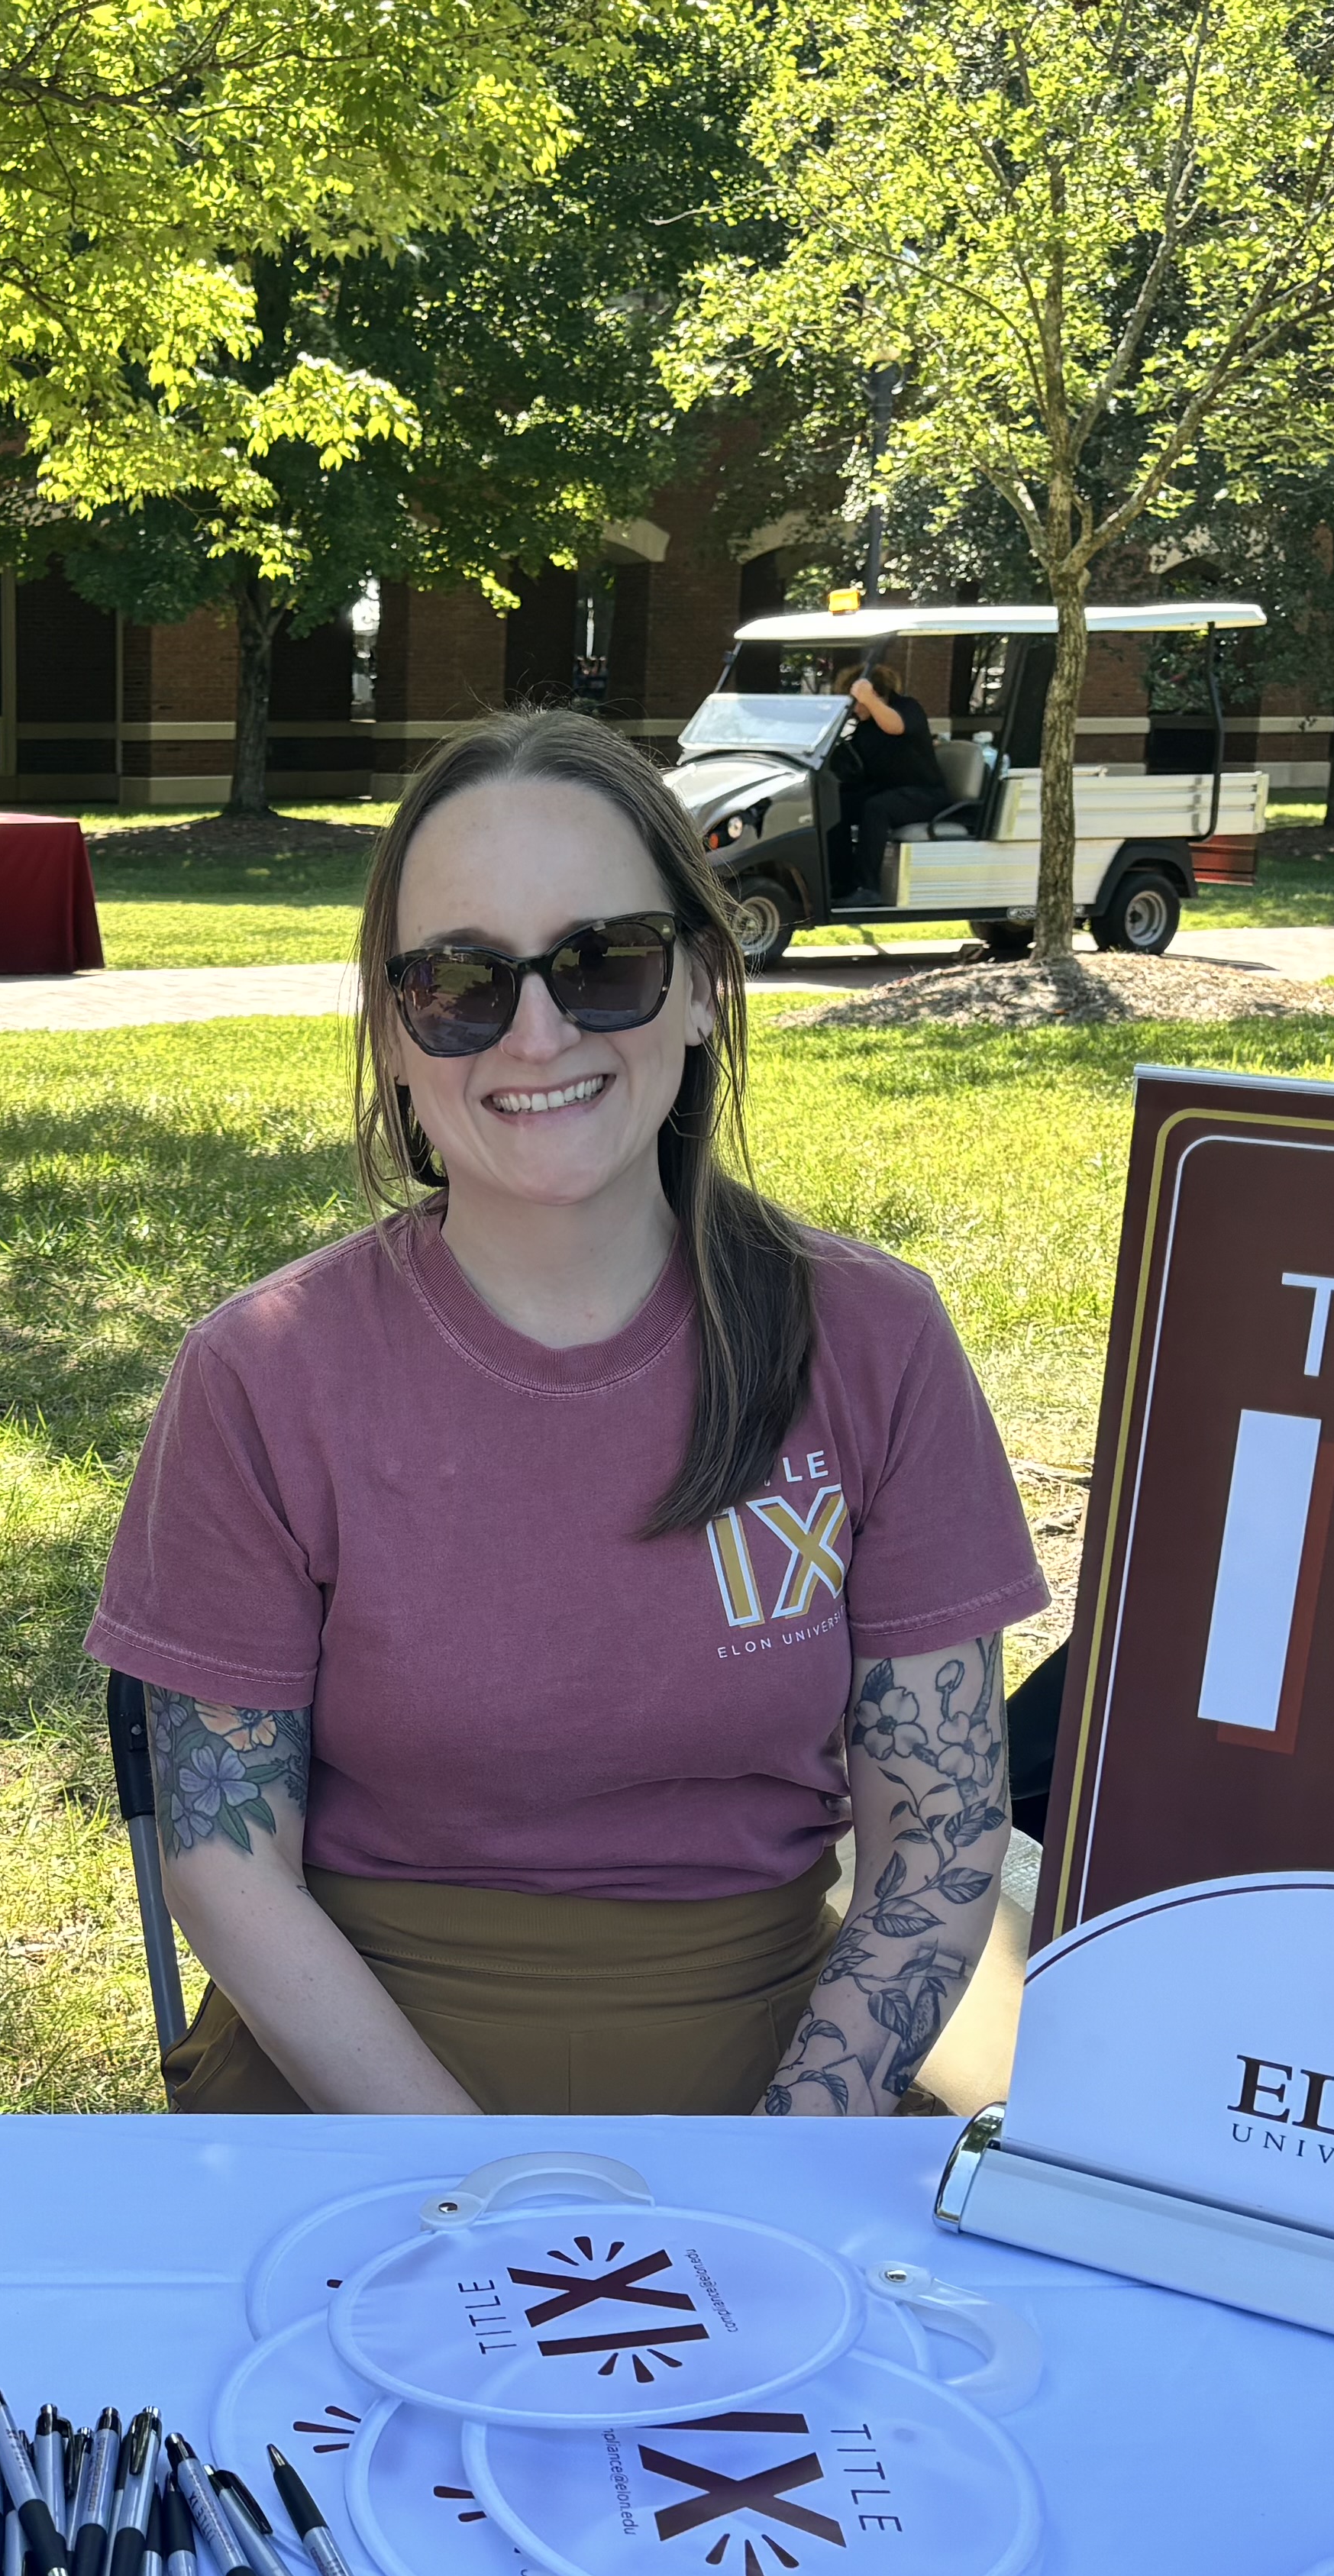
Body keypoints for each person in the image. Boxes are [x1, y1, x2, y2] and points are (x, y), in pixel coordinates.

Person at [90, 707, 1043, 2116]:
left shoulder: (874, 1340)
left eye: (605, 962)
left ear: (710, 980)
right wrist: (469, 2176)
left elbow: (942, 1828)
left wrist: (782, 2155)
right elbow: (227, 1860)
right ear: (397, 1036)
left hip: (786, 2081)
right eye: (460, 982)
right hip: (344, 2097)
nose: (535, 1032)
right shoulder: (260, 1375)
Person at [831, 643, 947, 910]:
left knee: (877, 809)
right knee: (835, 805)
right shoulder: (863, 726)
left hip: (926, 795)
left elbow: (895, 727)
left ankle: (868, 888)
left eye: (855, 703)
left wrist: (868, 698)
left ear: (877, 693)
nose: (853, 710)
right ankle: (840, 882)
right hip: (889, 791)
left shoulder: (907, 708)